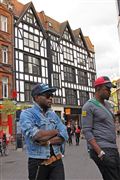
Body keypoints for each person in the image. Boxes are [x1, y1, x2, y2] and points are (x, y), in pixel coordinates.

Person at [20, 83, 68, 180]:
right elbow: (38, 136)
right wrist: (55, 131)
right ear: (37, 97)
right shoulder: (27, 114)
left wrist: (48, 141)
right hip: (38, 162)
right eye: (47, 95)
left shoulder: (53, 115)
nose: (50, 98)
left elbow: (65, 135)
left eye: (52, 95)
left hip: (57, 161)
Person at [81, 76, 120, 180]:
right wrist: (100, 152)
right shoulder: (88, 106)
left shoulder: (108, 105)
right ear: (98, 89)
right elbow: (87, 131)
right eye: (107, 89)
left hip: (112, 148)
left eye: (110, 89)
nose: (109, 91)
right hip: (102, 149)